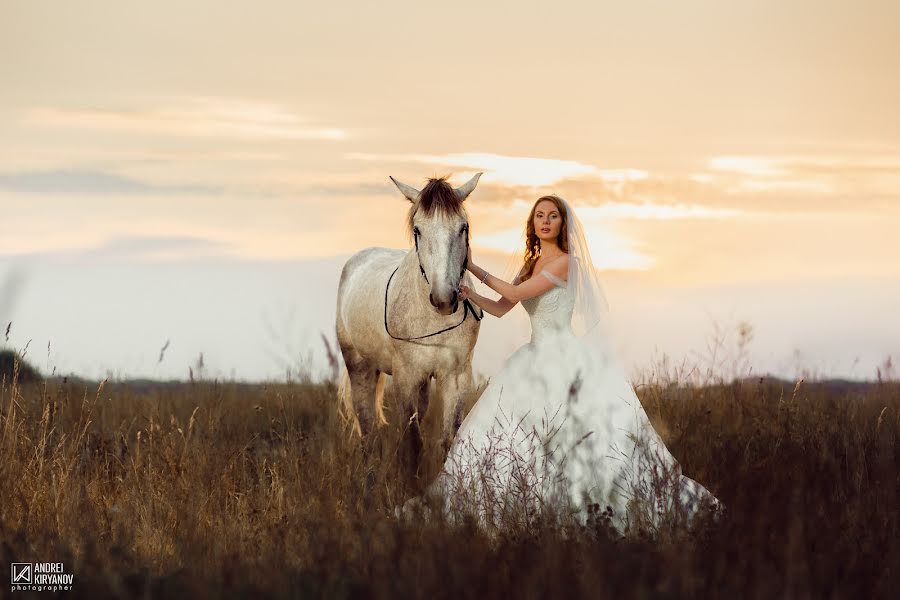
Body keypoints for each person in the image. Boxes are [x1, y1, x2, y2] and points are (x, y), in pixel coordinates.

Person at [422, 195, 723, 535]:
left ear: (563, 224)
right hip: (533, 356)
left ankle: (586, 509)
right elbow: (502, 307)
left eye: (553, 216)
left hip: (566, 357)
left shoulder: (566, 263)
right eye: (539, 216)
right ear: (532, 223)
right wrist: (470, 293)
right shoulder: (529, 265)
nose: (546, 221)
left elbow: (518, 295)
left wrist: (474, 267)